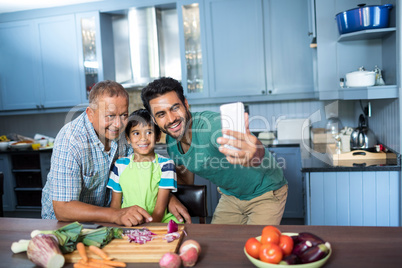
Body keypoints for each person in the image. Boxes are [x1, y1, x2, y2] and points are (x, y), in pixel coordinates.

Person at [41, 80, 190, 226]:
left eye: (124, 115)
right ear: (90, 114)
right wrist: (116, 214)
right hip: (63, 224)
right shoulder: (71, 140)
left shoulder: (123, 132)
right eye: (110, 116)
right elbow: (63, 208)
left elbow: (142, 172)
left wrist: (167, 197)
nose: (118, 124)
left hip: (105, 222)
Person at [141, 77, 288, 225]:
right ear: (154, 119)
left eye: (175, 108)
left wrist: (254, 152)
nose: (171, 118)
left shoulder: (212, 127)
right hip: (231, 196)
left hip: (266, 192)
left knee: (257, 246)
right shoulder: (172, 143)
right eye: (161, 114)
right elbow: (185, 181)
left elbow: (250, 149)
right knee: (218, 244)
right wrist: (169, 198)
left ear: (186, 104)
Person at [107, 109, 179, 223]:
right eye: (136, 133)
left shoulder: (166, 165)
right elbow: (115, 206)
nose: (143, 138)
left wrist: (146, 232)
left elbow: (159, 211)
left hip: (157, 223)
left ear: (158, 136)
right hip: (128, 223)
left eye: (149, 132)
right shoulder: (120, 165)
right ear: (128, 138)